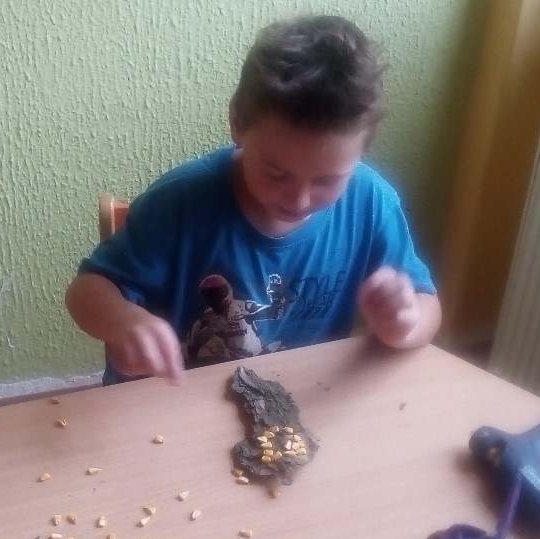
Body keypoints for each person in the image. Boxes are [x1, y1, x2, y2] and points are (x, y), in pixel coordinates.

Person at [66, 14, 441, 385]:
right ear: (237, 123)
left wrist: (405, 323)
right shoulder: (178, 203)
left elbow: (428, 306)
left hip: (294, 398)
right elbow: (86, 292)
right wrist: (124, 322)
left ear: (361, 151)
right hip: (175, 400)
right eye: (275, 173)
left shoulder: (372, 203)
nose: (299, 200)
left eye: (328, 180)